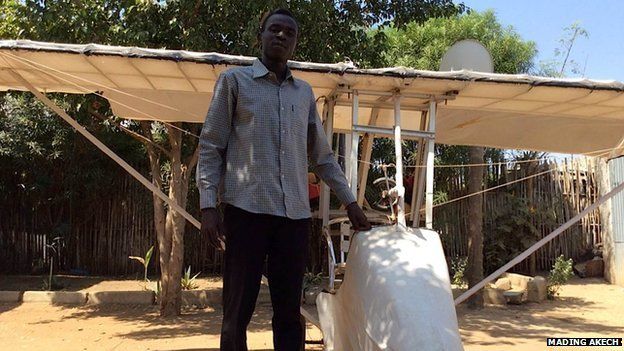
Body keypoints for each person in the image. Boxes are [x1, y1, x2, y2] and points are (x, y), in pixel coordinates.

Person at [196, 8, 371, 351]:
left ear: (295, 44)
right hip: (245, 212)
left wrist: (350, 201)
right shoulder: (234, 82)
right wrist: (207, 205)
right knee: (236, 311)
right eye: (274, 30)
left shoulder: (303, 93)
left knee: (290, 313)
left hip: (293, 218)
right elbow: (211, 145)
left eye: (288, 33)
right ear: (260, 36)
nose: (281, 36)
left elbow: (321, 157)